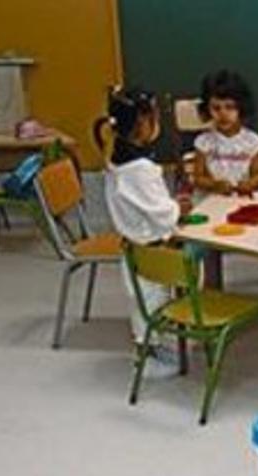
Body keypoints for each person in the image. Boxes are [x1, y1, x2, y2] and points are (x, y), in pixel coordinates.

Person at [94, 87, 190, 379]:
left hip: (132, 247)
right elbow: (161, 215)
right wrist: (178, 208)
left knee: (141, 303)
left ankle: (151, 349)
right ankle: (150, 357)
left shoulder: (115, 158)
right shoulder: (141, 169)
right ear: (143, 123)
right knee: (152, 303)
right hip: (151, 249)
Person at [192, 69, 258, 195]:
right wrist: (214, 184)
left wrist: (250, 184)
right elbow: (198, 178)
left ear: (241, 108)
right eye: (216, 108)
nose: (223, 114)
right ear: (207, 110)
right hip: (212, 199)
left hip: (241, 199)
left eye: (230, 107)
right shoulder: (203, 142)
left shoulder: (253, 141)